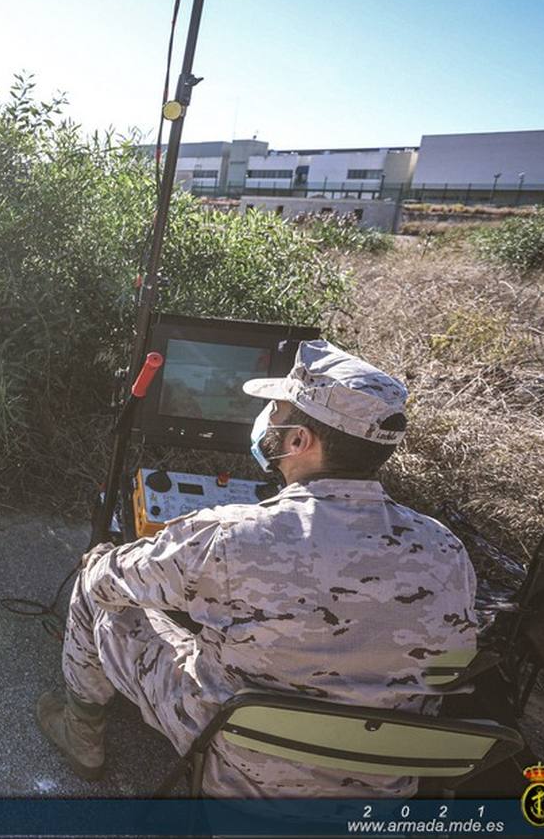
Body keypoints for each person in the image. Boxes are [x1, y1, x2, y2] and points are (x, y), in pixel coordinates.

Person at [35, 339, 478, 796]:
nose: (269, 416)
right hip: (377, 788)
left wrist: (105, 559)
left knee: (93, 584)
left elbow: (111, 581)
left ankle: (82, 734)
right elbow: (447, 667)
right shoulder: (447, 551)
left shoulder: (231, 535)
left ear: (300, 440)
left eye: (278, 409)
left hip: (241, 772)